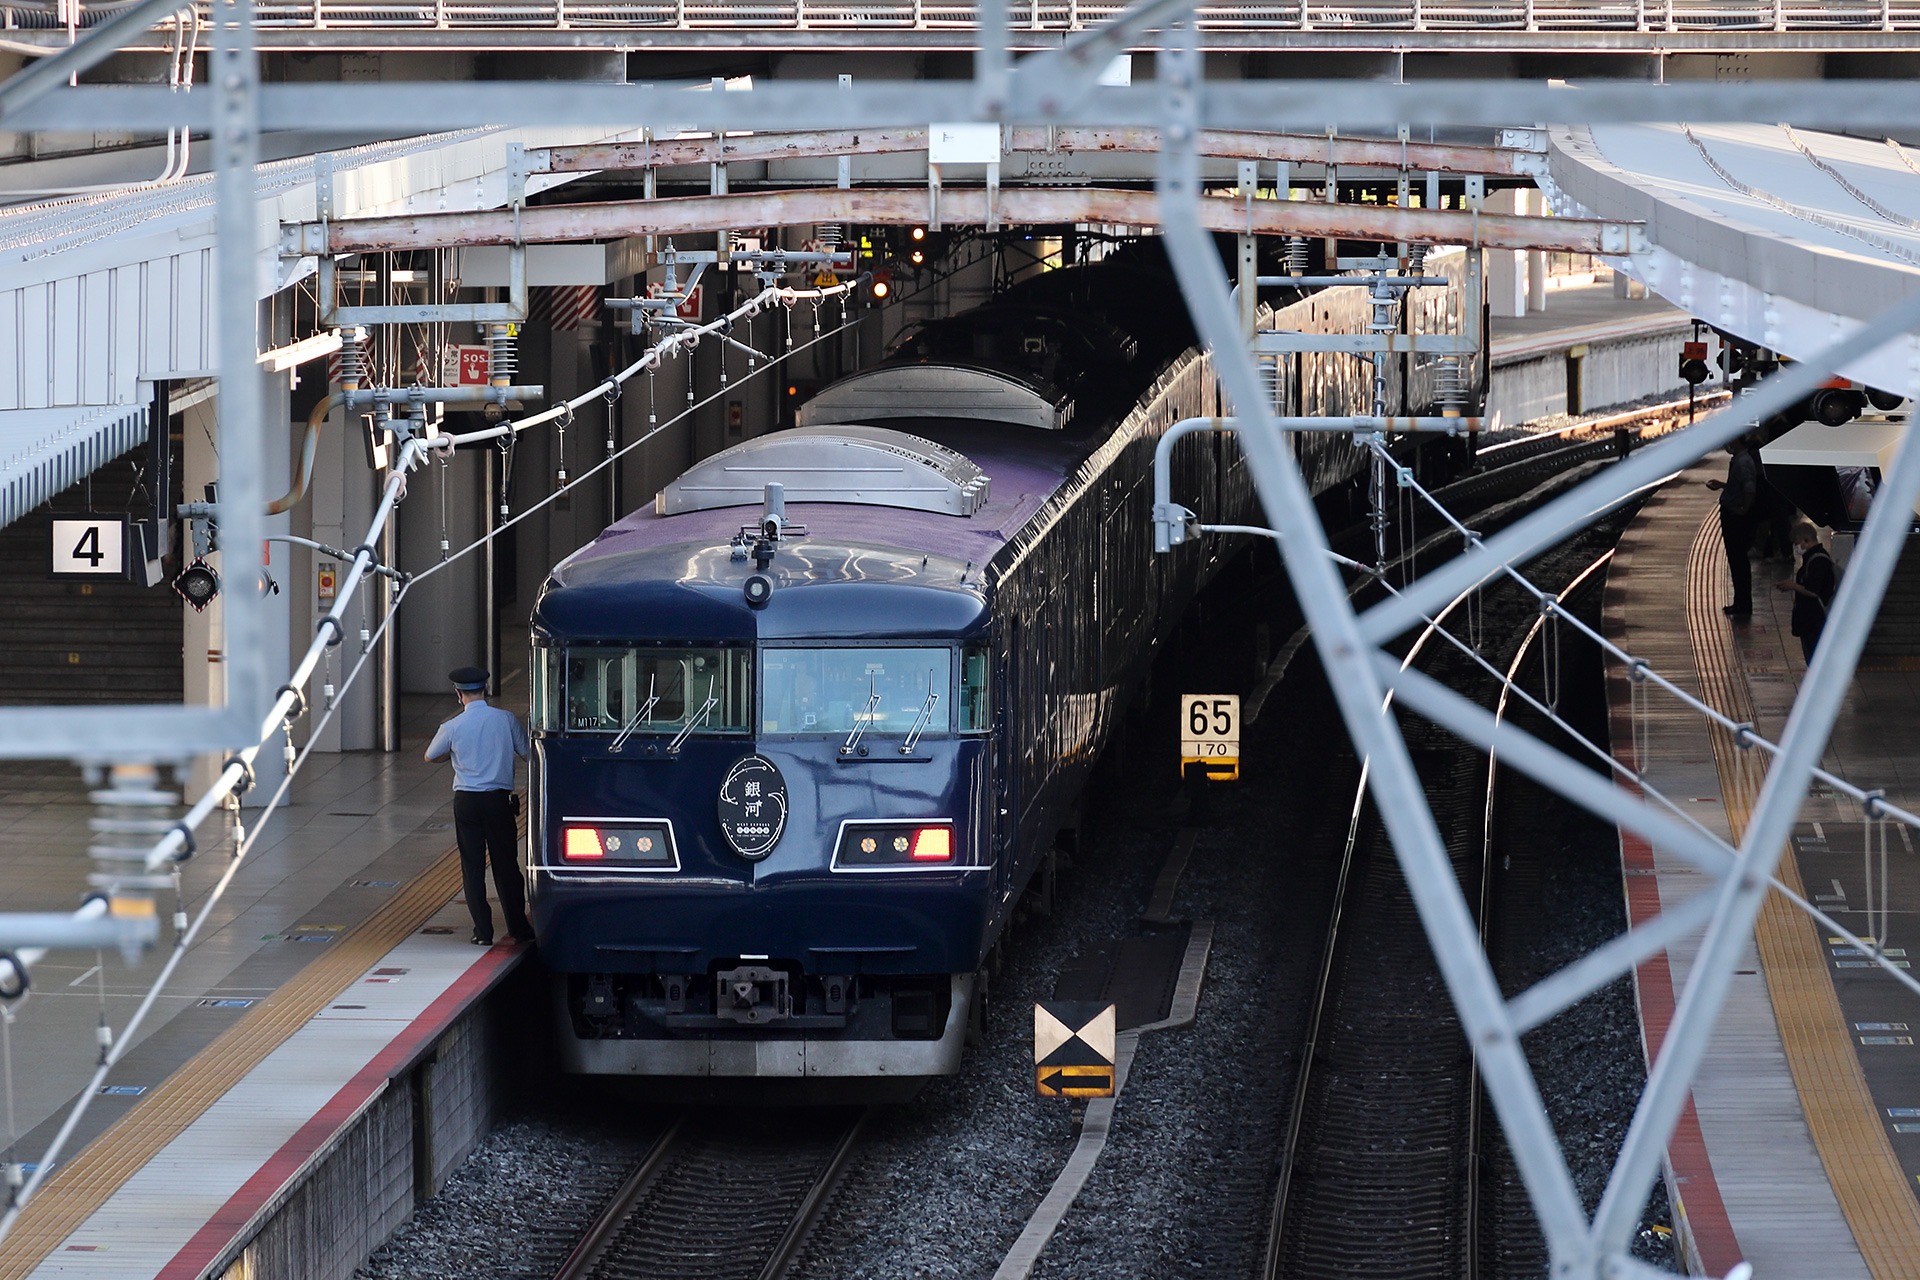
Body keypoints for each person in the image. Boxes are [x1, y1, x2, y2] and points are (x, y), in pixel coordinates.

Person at [425, 666, 534, 946]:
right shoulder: (505, 719)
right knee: (506, 864)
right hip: (499, 801)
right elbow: (528, 754)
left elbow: (430, 756)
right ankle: (519, 928)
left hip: (467, 802)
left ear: (458, 693)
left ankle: (483, 932)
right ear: (485, 689)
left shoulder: (452, 726)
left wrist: (453, 756)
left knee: (472, 866)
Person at [1706, 436, 1762, 618]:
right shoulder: (1740, 460)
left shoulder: (1743, 462)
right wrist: (1723, 486)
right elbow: (1740, 485)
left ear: (1736, 442)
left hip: (1736, 517)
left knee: (1738, 561)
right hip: (1735, 514)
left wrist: (1743, 509)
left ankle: (1743, 604)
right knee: (1737, 561)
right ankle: (1740, 602)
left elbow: (1749, 489)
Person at [1776, 523, 1838, 663]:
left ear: (1806, 540)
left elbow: (1813, 591)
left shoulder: (1818, 561)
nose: (1796, 547)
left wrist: (1793, 586)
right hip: (1810, 621)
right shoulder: (1811, 558)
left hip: (1815, 620)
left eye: (1796, 543)